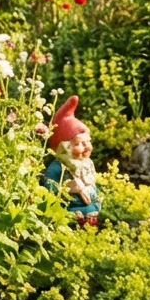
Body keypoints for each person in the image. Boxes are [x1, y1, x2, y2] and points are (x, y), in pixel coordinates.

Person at [43, 96, 100, 225]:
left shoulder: (87, 164)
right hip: (68, 209)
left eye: (88, 142)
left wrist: (97, 202)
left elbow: (93, 185)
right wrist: (66, 188)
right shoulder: (58, 167)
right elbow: (48, 185)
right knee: (71, 221)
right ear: (65, 148)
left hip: (90, 209)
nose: (86, 146)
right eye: (80, 143)